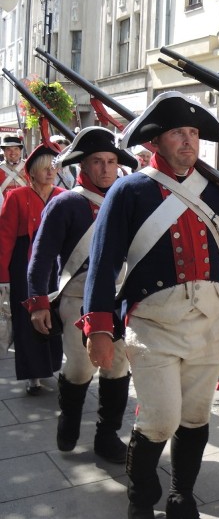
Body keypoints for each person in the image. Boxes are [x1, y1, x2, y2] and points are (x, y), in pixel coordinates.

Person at [80, 91, 219, 519]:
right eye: (178, 133)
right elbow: (104, 263)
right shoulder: (129, 190)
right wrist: (99, 328)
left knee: (197, 416)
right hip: (153, 324)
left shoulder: (215, 190)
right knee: (160, 419)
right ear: (155, 142)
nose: (188, 141)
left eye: (194, 133)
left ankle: (182, 494)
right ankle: (140, 500)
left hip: (209, 321)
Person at [26, 127, 138, 463]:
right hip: (77, 299)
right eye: (97, 162)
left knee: (118, 369)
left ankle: (107, 436)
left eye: (111, 161)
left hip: (119, 298)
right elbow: (41, 255)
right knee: (79, 369)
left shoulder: (128, 200)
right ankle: (70, 422)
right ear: (84, 166)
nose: (105, 168)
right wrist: (38, 303)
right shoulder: (66, 203)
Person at [0, 143, 64, 395]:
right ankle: (32, 375)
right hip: (23, 263)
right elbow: (4, 239)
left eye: (54, 168)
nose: (50, 172)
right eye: (44, 168)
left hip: (55, 265)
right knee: (27, 319)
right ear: (33, 172)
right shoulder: (16, 196)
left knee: (54, 316)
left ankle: (51, 366)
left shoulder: (63, 195)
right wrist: (3, 276)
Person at [0, 133, 27, 210]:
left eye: (16, 149)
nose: (12, 152)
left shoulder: (29, 167)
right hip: (5, 209)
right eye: (8, 149)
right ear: (4, 152)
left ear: (20, 150)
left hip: (25, 208)